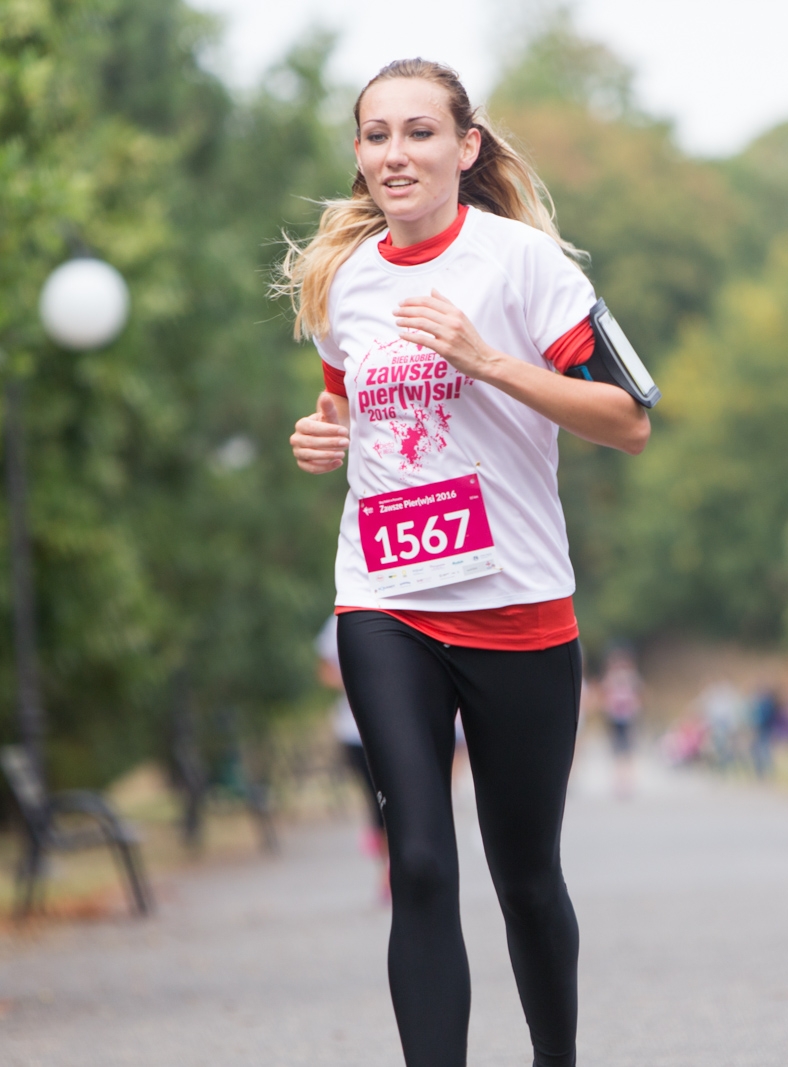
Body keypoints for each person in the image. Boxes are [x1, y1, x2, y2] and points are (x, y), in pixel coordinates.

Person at [282, 59, 650, 1067]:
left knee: (525, 874)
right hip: (384, 602)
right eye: (375, 136)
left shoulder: (524, 265)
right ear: (356, 154)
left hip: (518, 606)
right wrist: (324, 438)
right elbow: (347, 413)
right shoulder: (340, 282)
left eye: (418, 132)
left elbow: (627, 420)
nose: (394, 154)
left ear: (465, 146)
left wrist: (488, 359)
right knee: (420, 860)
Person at [316, 614, 389, 900]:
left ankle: (400, 868)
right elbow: (324, 671)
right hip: (353, 729)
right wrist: (359, 680)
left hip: (394, 725)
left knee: (397, 795)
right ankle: (386, 871)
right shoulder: (337, 622)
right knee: (375, 799)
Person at [600, 646, 644, 798]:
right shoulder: (611, 678)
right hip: (614, 718)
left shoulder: (632, 678)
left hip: (628, 718)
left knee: (628, 749)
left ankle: (628, 781)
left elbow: (639, 697)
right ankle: (619, 781)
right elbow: (605, 696)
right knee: (617, 750)